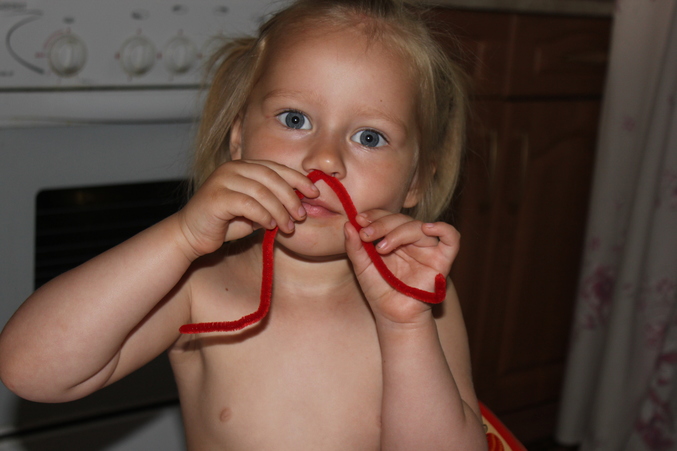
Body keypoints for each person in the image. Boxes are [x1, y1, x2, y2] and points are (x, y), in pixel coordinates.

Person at [0, 0, 487, 449]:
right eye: (294, 119)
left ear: (416, 181)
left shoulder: (418, 299)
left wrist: (404, 326)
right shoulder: (198, 285)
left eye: (369, 137)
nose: (323, 159)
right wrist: (181, 237)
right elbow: (30, 371)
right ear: (238, 140)